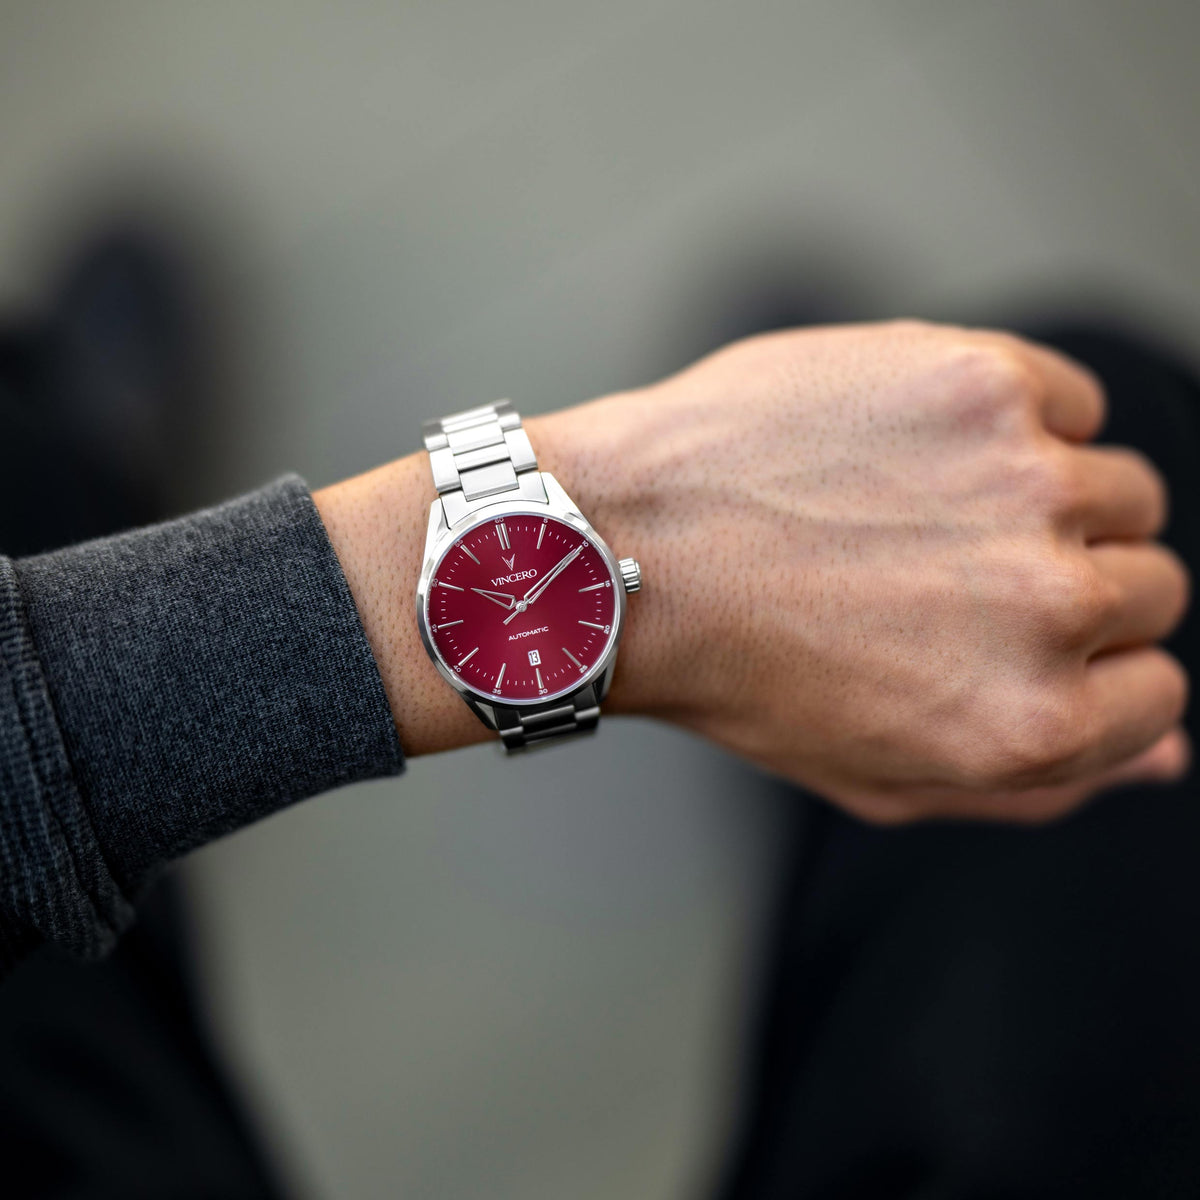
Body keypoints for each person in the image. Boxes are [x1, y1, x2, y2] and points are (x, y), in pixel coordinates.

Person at [1, 318, 1188, 974]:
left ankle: (73, 455)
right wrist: (653, 538)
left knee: (36, 469)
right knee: (1118, 411)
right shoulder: (578, 610)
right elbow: (535, 625)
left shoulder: (563, 605)